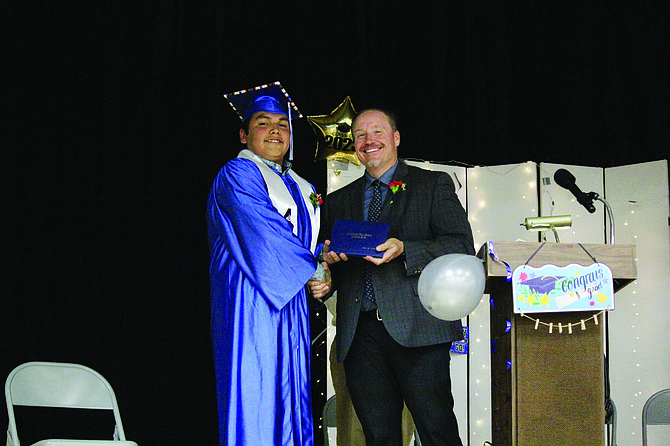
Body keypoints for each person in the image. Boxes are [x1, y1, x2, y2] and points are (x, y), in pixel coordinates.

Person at [311, 109, 474, 446]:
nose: (368, 141)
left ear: (395, 138)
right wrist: (328, 270)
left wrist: (406, 249)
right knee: (378, 437)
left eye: (377, 132)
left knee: (437, 431)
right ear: (354, 145)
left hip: (419, 330)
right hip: (360, 336)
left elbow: (460, 246)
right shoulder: (338, 201)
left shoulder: (431, 185)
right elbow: (338, 265)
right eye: (359, 135)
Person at [207, 83, 328, 446]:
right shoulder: (237, 174)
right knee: (257, 391)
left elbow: (304, 241)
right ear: (244, 134)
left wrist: (322, 266)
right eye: (263, 123)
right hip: (252, 296)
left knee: (291, 392)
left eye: (283, 124)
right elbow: (264, 230)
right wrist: (313, 271)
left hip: (289, 298)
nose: (276, 130)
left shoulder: (299, 183)